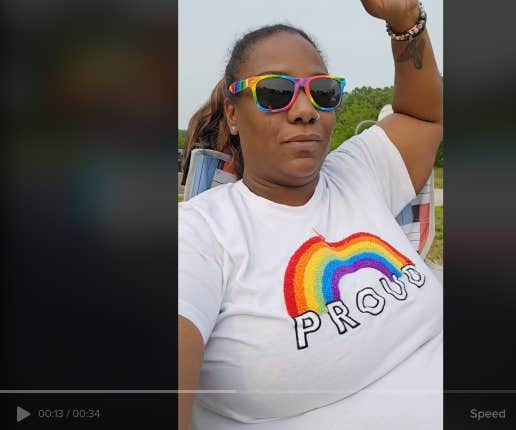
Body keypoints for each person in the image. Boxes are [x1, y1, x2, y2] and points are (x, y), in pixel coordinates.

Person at [178, 1, 443, 428]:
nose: (305, 110)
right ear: (232, 114)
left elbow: (423, 116)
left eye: (322, 92)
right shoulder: (200, 234)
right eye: (276, 93)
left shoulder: (359, 172)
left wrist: (405, 20)